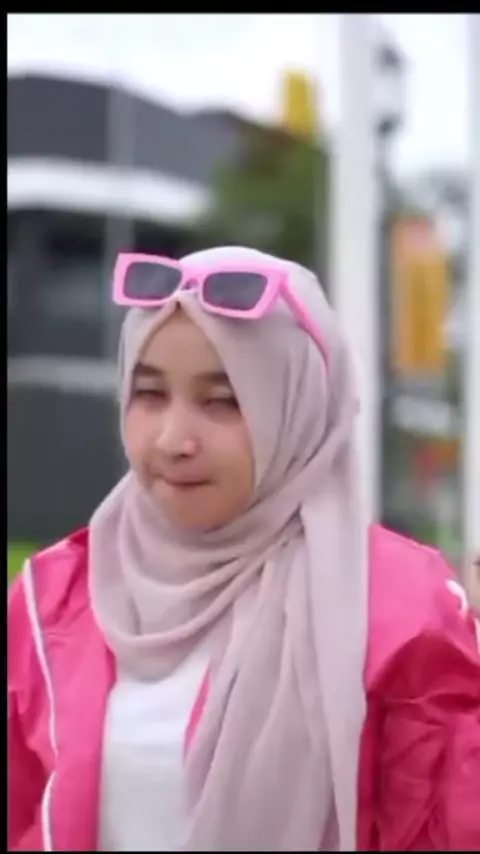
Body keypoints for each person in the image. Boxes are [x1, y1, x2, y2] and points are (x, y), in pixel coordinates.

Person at [8, 246, 480, 852]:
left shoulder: (400, 608)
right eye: (150, 393)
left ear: (300, 406)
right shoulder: (53, 599)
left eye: (223, 401)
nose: (174, 439)